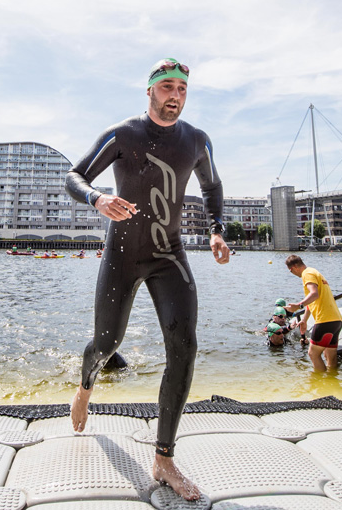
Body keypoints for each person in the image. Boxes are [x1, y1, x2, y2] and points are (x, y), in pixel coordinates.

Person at [65, 58, 230, 501]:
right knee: (107, 343)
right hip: (121, 254)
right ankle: (85, 388)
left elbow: (212, 188)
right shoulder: (124, 134)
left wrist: (217, 230)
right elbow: (74, 176)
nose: (174, 96)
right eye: (166, 87)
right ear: (150, 91)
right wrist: (97, 198)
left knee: (184, 346)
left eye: (182, 89)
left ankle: (164, 458)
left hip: (168, 256)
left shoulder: (196, 140)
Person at [285, 255, 342, 373]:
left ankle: (319, 384)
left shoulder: (307, 274)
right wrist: (305, 320)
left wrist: (298, 305)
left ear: (295, 266)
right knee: (329, 355)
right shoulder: (315, 272)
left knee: (313, 354)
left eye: (290, 270)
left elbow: (314, 294)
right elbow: (313, 301)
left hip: (324, 320)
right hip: (336, 320)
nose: (291, 273)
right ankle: (332, 382)